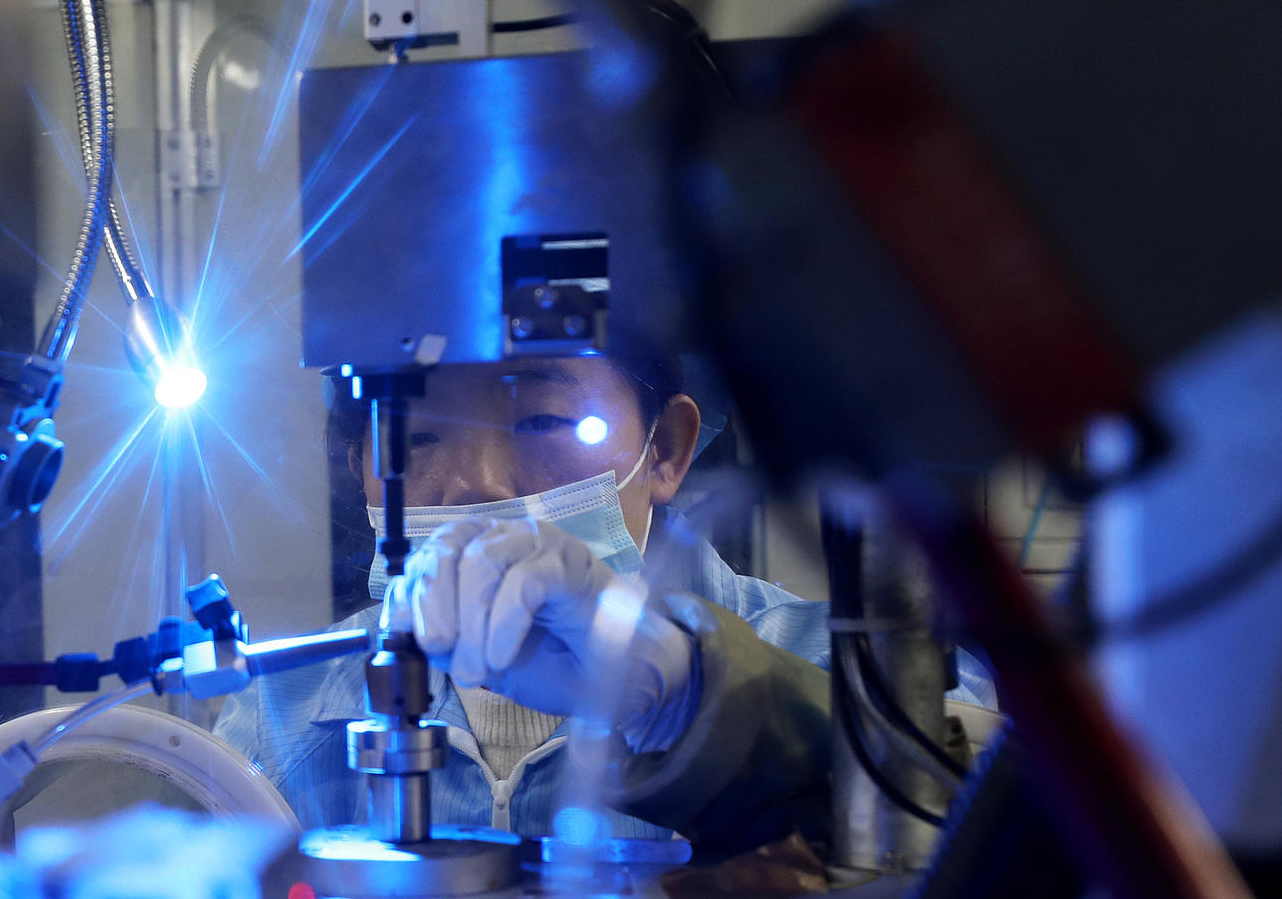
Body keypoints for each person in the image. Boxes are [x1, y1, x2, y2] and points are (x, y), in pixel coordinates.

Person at [213, 354, 994, 861]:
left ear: (667, 451)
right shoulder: (280, 714)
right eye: (414, 440)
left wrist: (688, 697)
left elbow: (990, 827)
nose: (474, 484)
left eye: (544, 420)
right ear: (362, 471)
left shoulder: (853, 669)